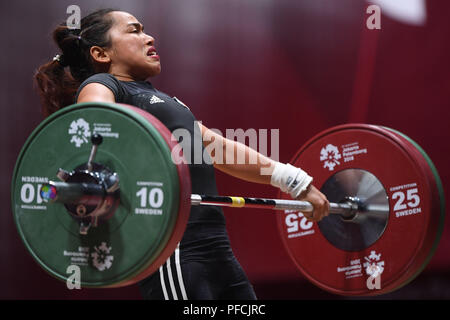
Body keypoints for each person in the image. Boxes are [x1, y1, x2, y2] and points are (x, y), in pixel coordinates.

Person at [35, 8, 330, 300]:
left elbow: (219, 148)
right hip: (173, 249)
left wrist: (296, 182)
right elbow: (93, 128)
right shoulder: (102, 85)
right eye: (134, 30)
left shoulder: (158, 100)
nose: (149, 37)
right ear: (101, 54)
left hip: (213, 244)